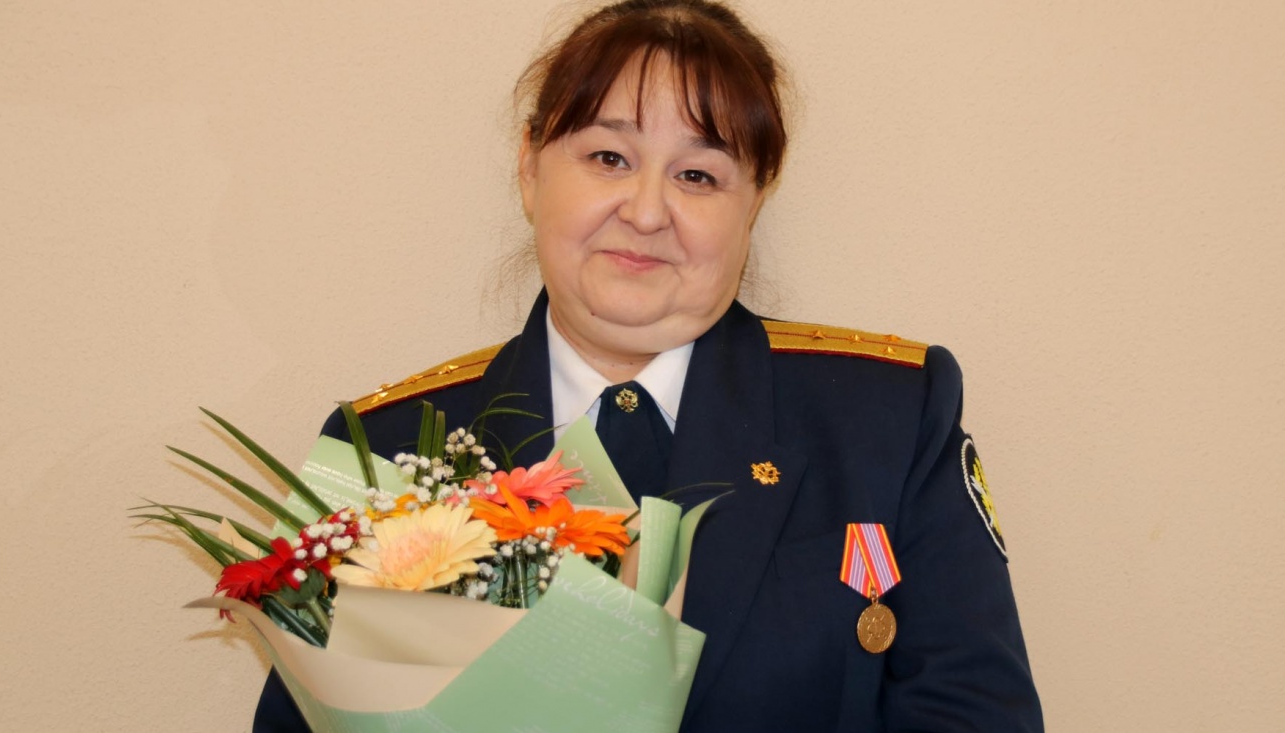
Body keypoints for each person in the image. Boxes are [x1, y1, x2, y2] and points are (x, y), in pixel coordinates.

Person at [254, 1, 1043, 730]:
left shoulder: (887, 421)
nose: (645, 210)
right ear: (530, 167)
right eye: (608, 156)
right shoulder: (387, 450)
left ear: (754, 199)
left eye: (698, 175)